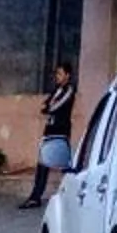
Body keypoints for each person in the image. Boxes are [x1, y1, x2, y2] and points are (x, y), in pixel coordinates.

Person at [24, 60, 77, 207]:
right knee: (43, 163)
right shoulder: (56, 90)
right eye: (57, 74)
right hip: (50, 130)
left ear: (67, 75)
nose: (57, 77)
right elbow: (45, 105)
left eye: (60, 73)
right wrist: (48, 107)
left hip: (60, 131)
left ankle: (73, 194)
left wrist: (49, 107)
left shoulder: (69, 90)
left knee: (62, 165)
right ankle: (35, 197)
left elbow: (54, 107)